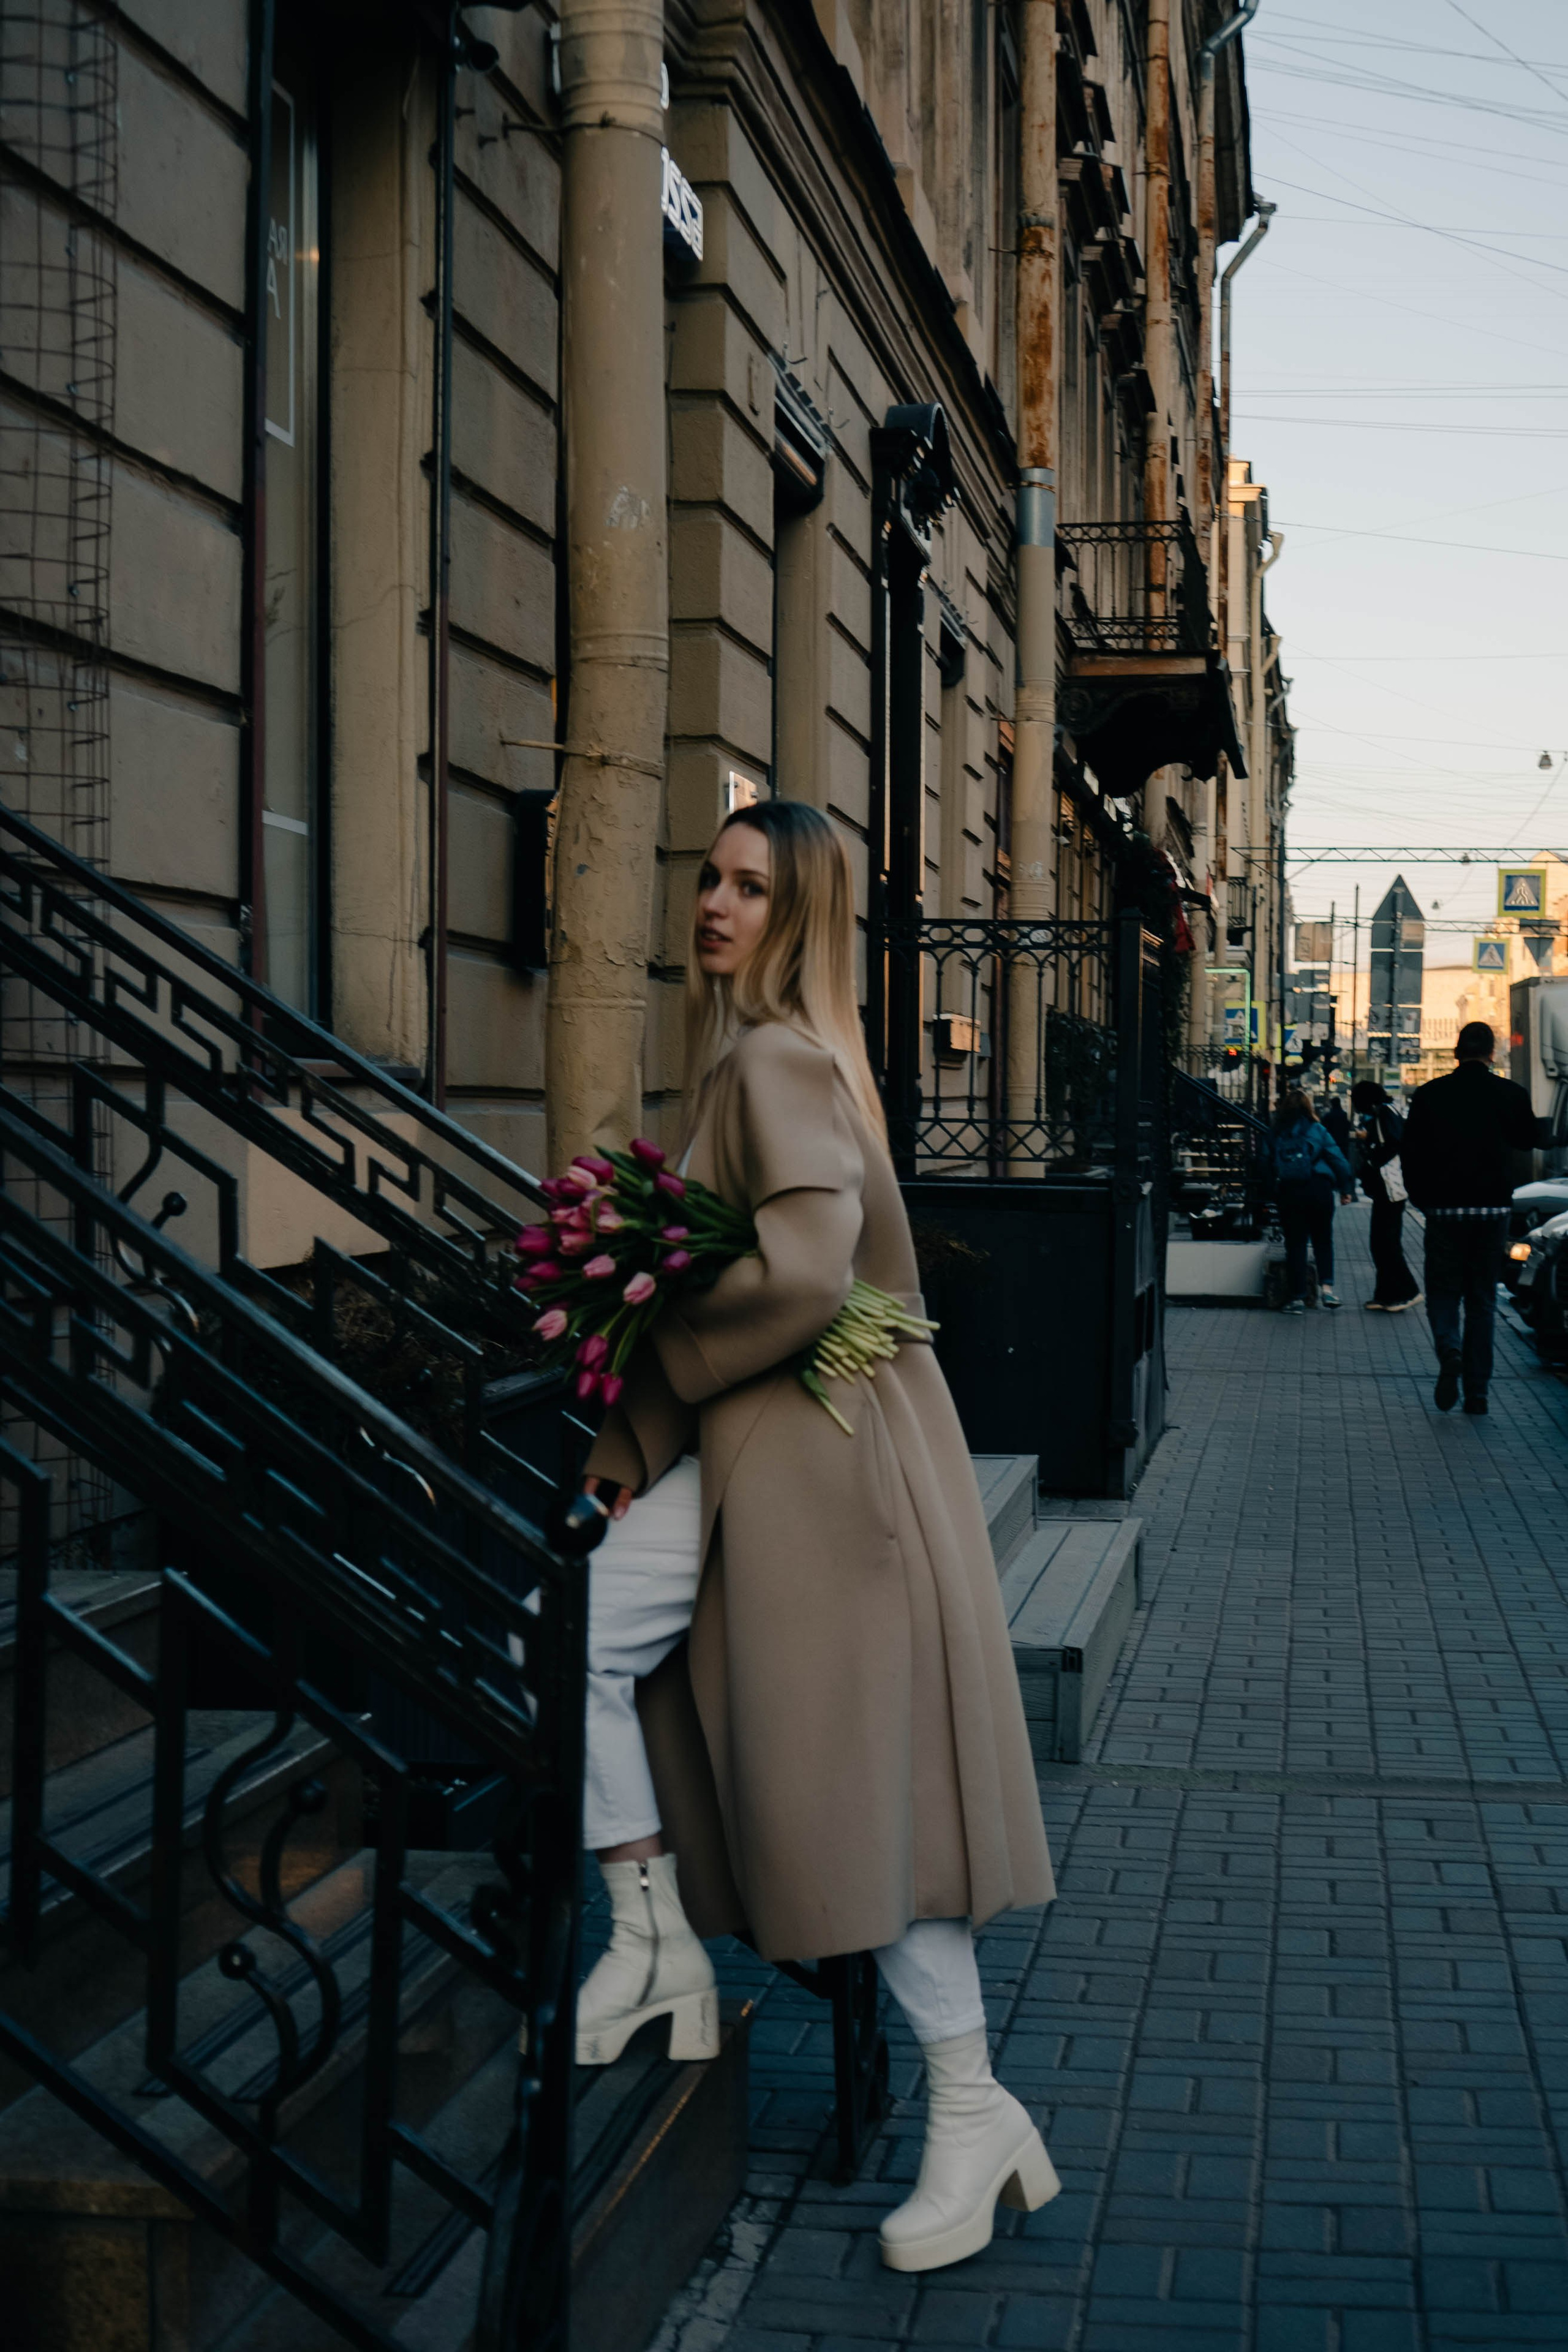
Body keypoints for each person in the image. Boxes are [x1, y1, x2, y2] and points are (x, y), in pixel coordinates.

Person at [573, 800, 1058, 2274]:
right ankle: (652, 1928)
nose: (710, 904)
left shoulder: (775, 1058)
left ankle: (967, 2109)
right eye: (705, 876)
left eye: (746, 887)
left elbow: (796, 1270)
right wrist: (634, 1443)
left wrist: (649, 1345)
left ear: (802, 916)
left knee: (866, 1801)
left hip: (813, 1472)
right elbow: (784, 1281)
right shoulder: (773, 1056)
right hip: (789, 1461)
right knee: (605, 1650)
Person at [1400, 1018, 1539, 1415]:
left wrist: (1423, 1199)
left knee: (1443, 1293)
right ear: (1492, 1053)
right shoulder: (1509, 1094)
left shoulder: (1430, 1095)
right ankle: (1477, 1393)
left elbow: (1411, 1153)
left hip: (1444, 1211)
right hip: (1492, 1210)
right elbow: (1528, 1140)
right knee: (1481, 1301)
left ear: (1457, 1052)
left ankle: (1450, 1350)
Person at [1272, 1086, 1354, 1314]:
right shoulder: (1318, 1129)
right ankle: (1327, 1290)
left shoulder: (1277, 1131)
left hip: (1290, 1191)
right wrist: (1346, 1188)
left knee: (1296, 1244)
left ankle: (1298, 1298)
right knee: (1323, 1240)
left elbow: (1265, 1161)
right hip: (1319, 1190)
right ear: (1309, 1108)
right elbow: (1338, 1160)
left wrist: (1272, 1190)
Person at [1351, 1079, 1421, 1312]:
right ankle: (1385, 1294)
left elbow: (1393, 1143)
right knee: (1381, 1242)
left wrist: (1372, 1161)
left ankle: (1408, 1291)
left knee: (1386, 1243)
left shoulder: (1386, 1114)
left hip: (1391, 1188)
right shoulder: (1386, 1112)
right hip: (1388, 1189)